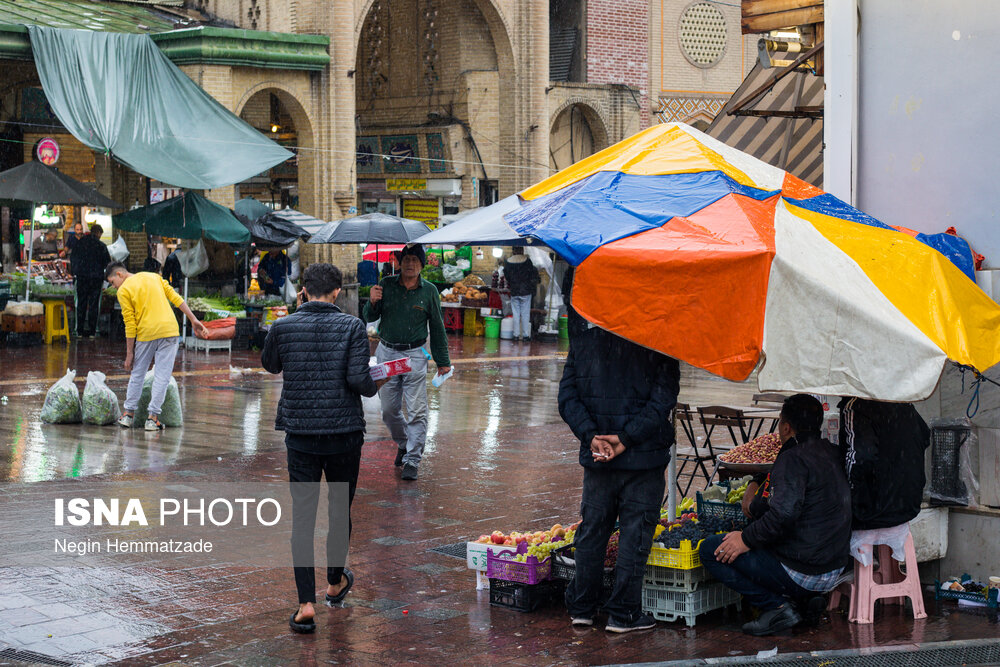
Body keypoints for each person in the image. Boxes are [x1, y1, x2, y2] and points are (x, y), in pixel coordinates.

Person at [261, 263, 383, 634]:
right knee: (338, 507)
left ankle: (305, 605)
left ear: (304, 290)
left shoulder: (282, 326)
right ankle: (333, 581)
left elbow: (270, 365)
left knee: (302, 518)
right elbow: (359, 381)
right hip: (344, 433)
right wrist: (380, 376)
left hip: (300, 435)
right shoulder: (351, 326)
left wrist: (289, 320)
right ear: (336, 293)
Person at [558, 304, 680, 633]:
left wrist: (592, 437)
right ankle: (623, 614)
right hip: (644, 458)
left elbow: (567, 397)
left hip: (599, 458)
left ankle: (582, 607)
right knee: (634, 536)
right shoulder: (660, 338)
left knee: (593, 530)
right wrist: (625, 439)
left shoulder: (584, 337)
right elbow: (664, 398)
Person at [699, 394, 851, 636]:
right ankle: (803, 602)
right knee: (759, 534)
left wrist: (745, 539)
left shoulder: (793, 458)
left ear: (786, 426)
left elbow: (782, 515)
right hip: (834, 567)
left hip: (806, 570)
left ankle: (777, 606)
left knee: (710, 549)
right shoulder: (830, 451)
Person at [363, 244, 451, 481]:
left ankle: (412, 458)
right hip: (387, 353)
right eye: (407, 259)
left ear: (422, 264)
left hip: (414, 355)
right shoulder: (387, 285)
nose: (410, 264)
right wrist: (371, 301)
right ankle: (403, 443)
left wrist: (443, 361)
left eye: (415, 260)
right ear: (400, 262)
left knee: (416, 409)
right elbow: (369, 317)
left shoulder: (429, 291)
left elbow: (437, 327)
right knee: (389, 410)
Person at [105, 262, 208, 431]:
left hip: (146, 334)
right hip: (169, 331)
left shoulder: (124, 290)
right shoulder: (154, 277)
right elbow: (176, 298)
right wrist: (193, 319)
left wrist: (129, 353)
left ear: (119, 275)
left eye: (112, 282)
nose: (113, 287)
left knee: (137, 373)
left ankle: (128, 415)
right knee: (162, 376)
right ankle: (152, 419)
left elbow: (130, 324)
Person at [839, 398, 930, 529]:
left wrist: (852, 495)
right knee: (899, 549)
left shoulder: (855, 406)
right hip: (905, 506)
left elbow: (860, 458)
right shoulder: (903, 404)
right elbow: (925, 437)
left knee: (863, 549)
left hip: (870, 511)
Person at [70, 224, 111, 338]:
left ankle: (79, 331)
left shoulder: (80, 243)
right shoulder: (101, 246)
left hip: (82, 278)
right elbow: (107, 263)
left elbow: (73, 258)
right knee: (94, 304)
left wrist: (75, 272)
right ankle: (92, 331)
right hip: (96, 279)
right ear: (98, 233)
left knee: (81, 303)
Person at [504, 246, 540, 341]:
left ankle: (515, 335)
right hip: (526, 291)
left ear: (513, 251)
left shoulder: (508, 262)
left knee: (516, 314)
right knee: (525, 314)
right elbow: (532, 274)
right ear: (521, 250)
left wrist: (513, 282)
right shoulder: (527, 261)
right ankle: (525, 336)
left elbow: (506, 276)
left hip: (514, 291)